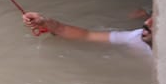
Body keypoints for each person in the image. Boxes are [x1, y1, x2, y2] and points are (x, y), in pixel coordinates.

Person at [22, 12, 153, 56]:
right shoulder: (136, 37)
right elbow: (86, 35)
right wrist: (45, 23)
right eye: (151, 17)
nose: (147, 22)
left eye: (156, 21)